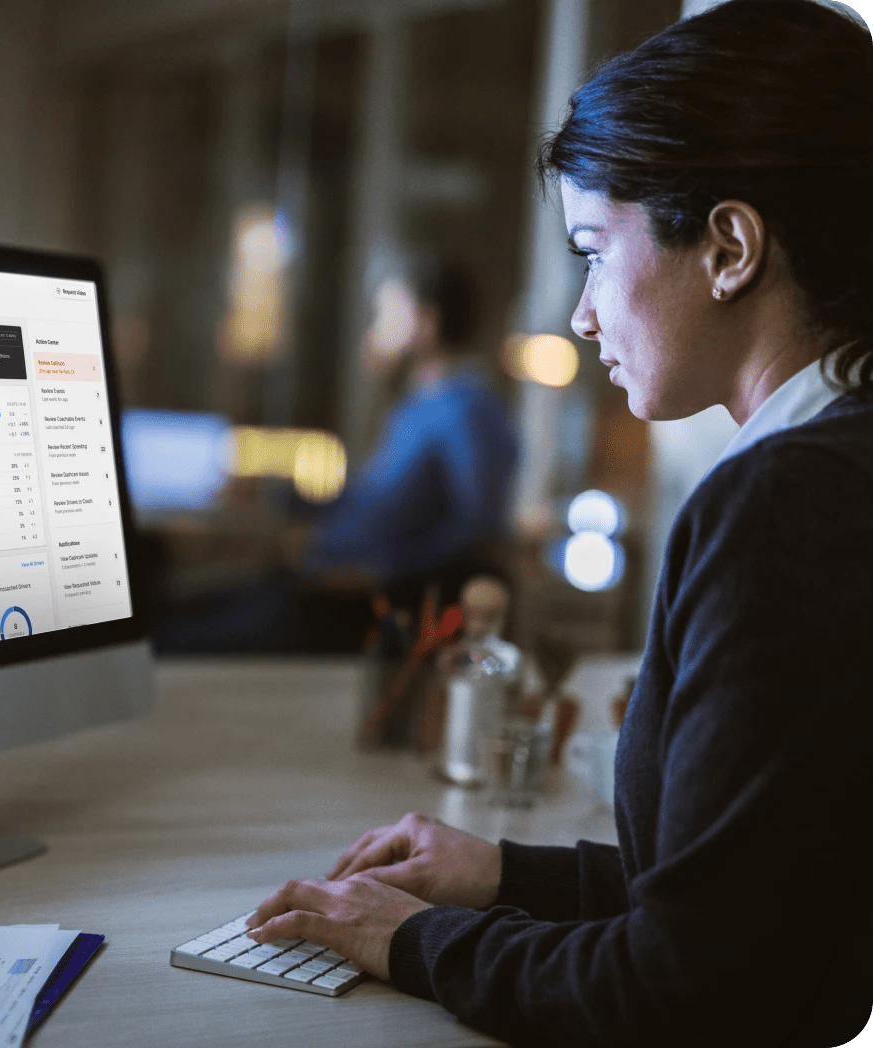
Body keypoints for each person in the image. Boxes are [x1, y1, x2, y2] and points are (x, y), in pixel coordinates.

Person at [244, 2, 873, 1044]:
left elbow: (688, 982)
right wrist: (496, 872)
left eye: (592, 250)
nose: (581, 316)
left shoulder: (785, 502)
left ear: (726, 246)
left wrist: (405, 940)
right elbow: (750, 891)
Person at [302, 260, 519, 606]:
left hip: (378, 602)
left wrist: (379, 571)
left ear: (427, 322)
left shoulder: (469, 411)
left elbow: (478, 535)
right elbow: (377, 503)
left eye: (387, 313)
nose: (374, 327)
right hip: (329, 581)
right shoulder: (413, 407)